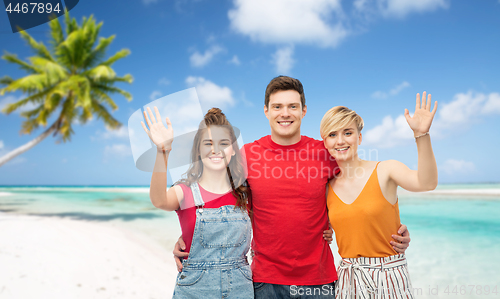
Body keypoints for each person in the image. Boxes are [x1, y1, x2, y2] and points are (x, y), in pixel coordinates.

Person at [175, 76, 412, 298]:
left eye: (293, 106)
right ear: (266, 111)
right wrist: (190, 233)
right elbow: (220, 197)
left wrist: (390, 226)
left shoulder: (326, 152)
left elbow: (360, 189)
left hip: (319, 281)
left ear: (303, 111)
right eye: (277, 106)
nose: (285, 113)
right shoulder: (247, 156)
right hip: (265, 281)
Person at [320, 92, 438, 298]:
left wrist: (421, 135)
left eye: (347, 133)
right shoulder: (327, 187)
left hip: (389, 275)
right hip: (348, 278)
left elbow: (427, 183)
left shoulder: (386, 170)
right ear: (325, 142)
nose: (340, 141)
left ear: (359, 137)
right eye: (332, 134)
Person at [141, 107, 253, 298]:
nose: (216, 150)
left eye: (223, 143)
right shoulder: (185, 192)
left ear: (233, 150)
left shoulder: (246, 193)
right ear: (199, 150)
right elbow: (159, 200)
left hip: (240, 289)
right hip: (194, 291)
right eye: (208, 143)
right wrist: (163, 151)